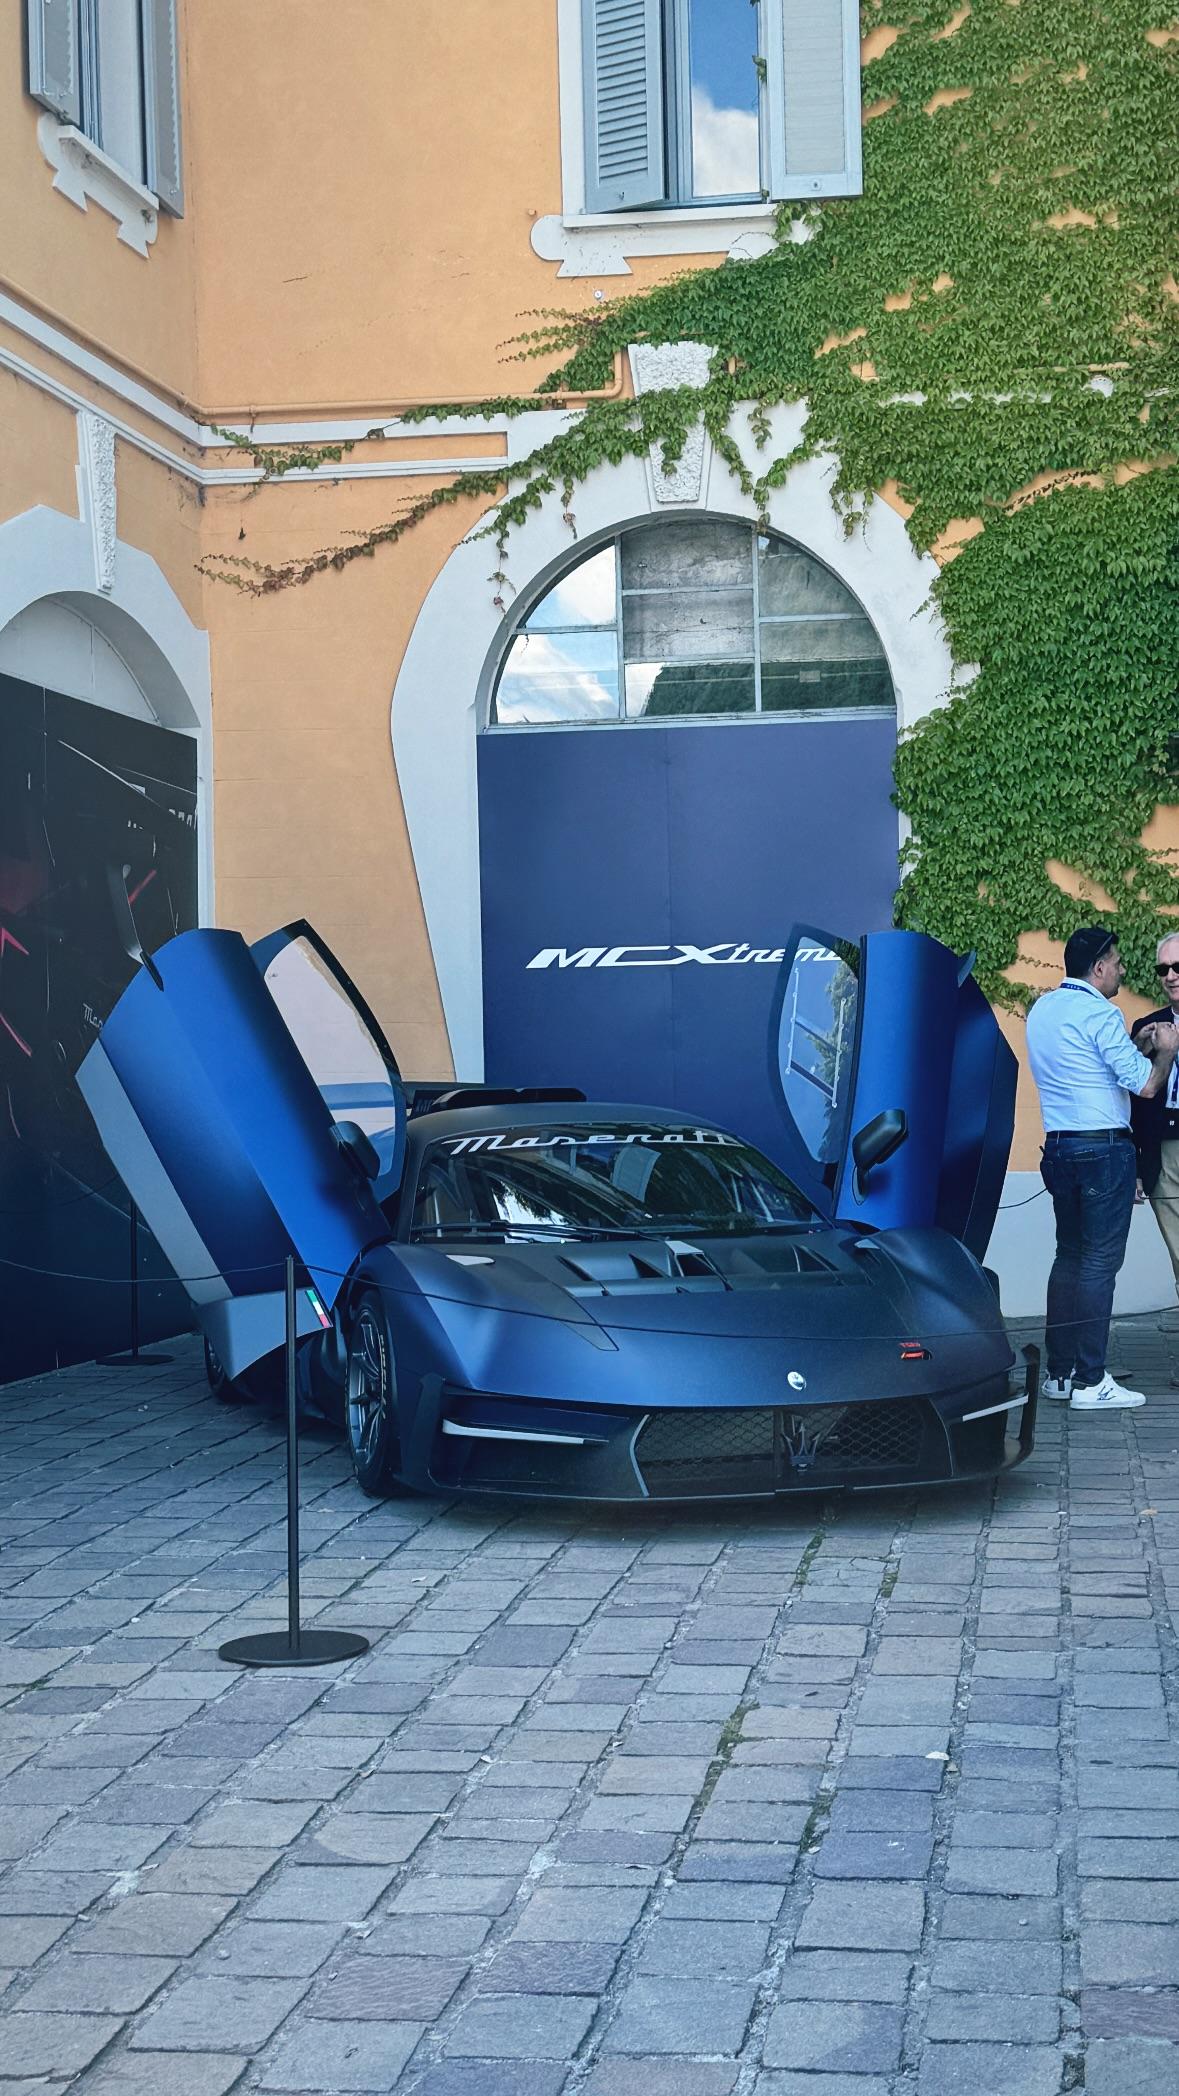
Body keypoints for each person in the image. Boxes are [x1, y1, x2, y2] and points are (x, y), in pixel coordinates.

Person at [1026, 926, 1179, 1411]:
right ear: (1098, 968)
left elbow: (1092, 1068)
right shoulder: (1100, 1013)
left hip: (1059, 1147)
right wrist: (1166, 1051)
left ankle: (1060, 1375)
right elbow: (1146, 1087)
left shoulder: (1043, 1009)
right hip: (1103, 1151)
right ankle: (1092, 1381)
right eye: (1116, 962)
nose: (1121, 969)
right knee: (1099, 1264)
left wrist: (1137, 1043)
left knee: (1068, 1257)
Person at [1130, 931, 1179, 1333]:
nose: (1170, 976)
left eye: (1178, 966)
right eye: (1163, 969)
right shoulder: (1147, 1027)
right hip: (1163, 1152)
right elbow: (1134, 1100)